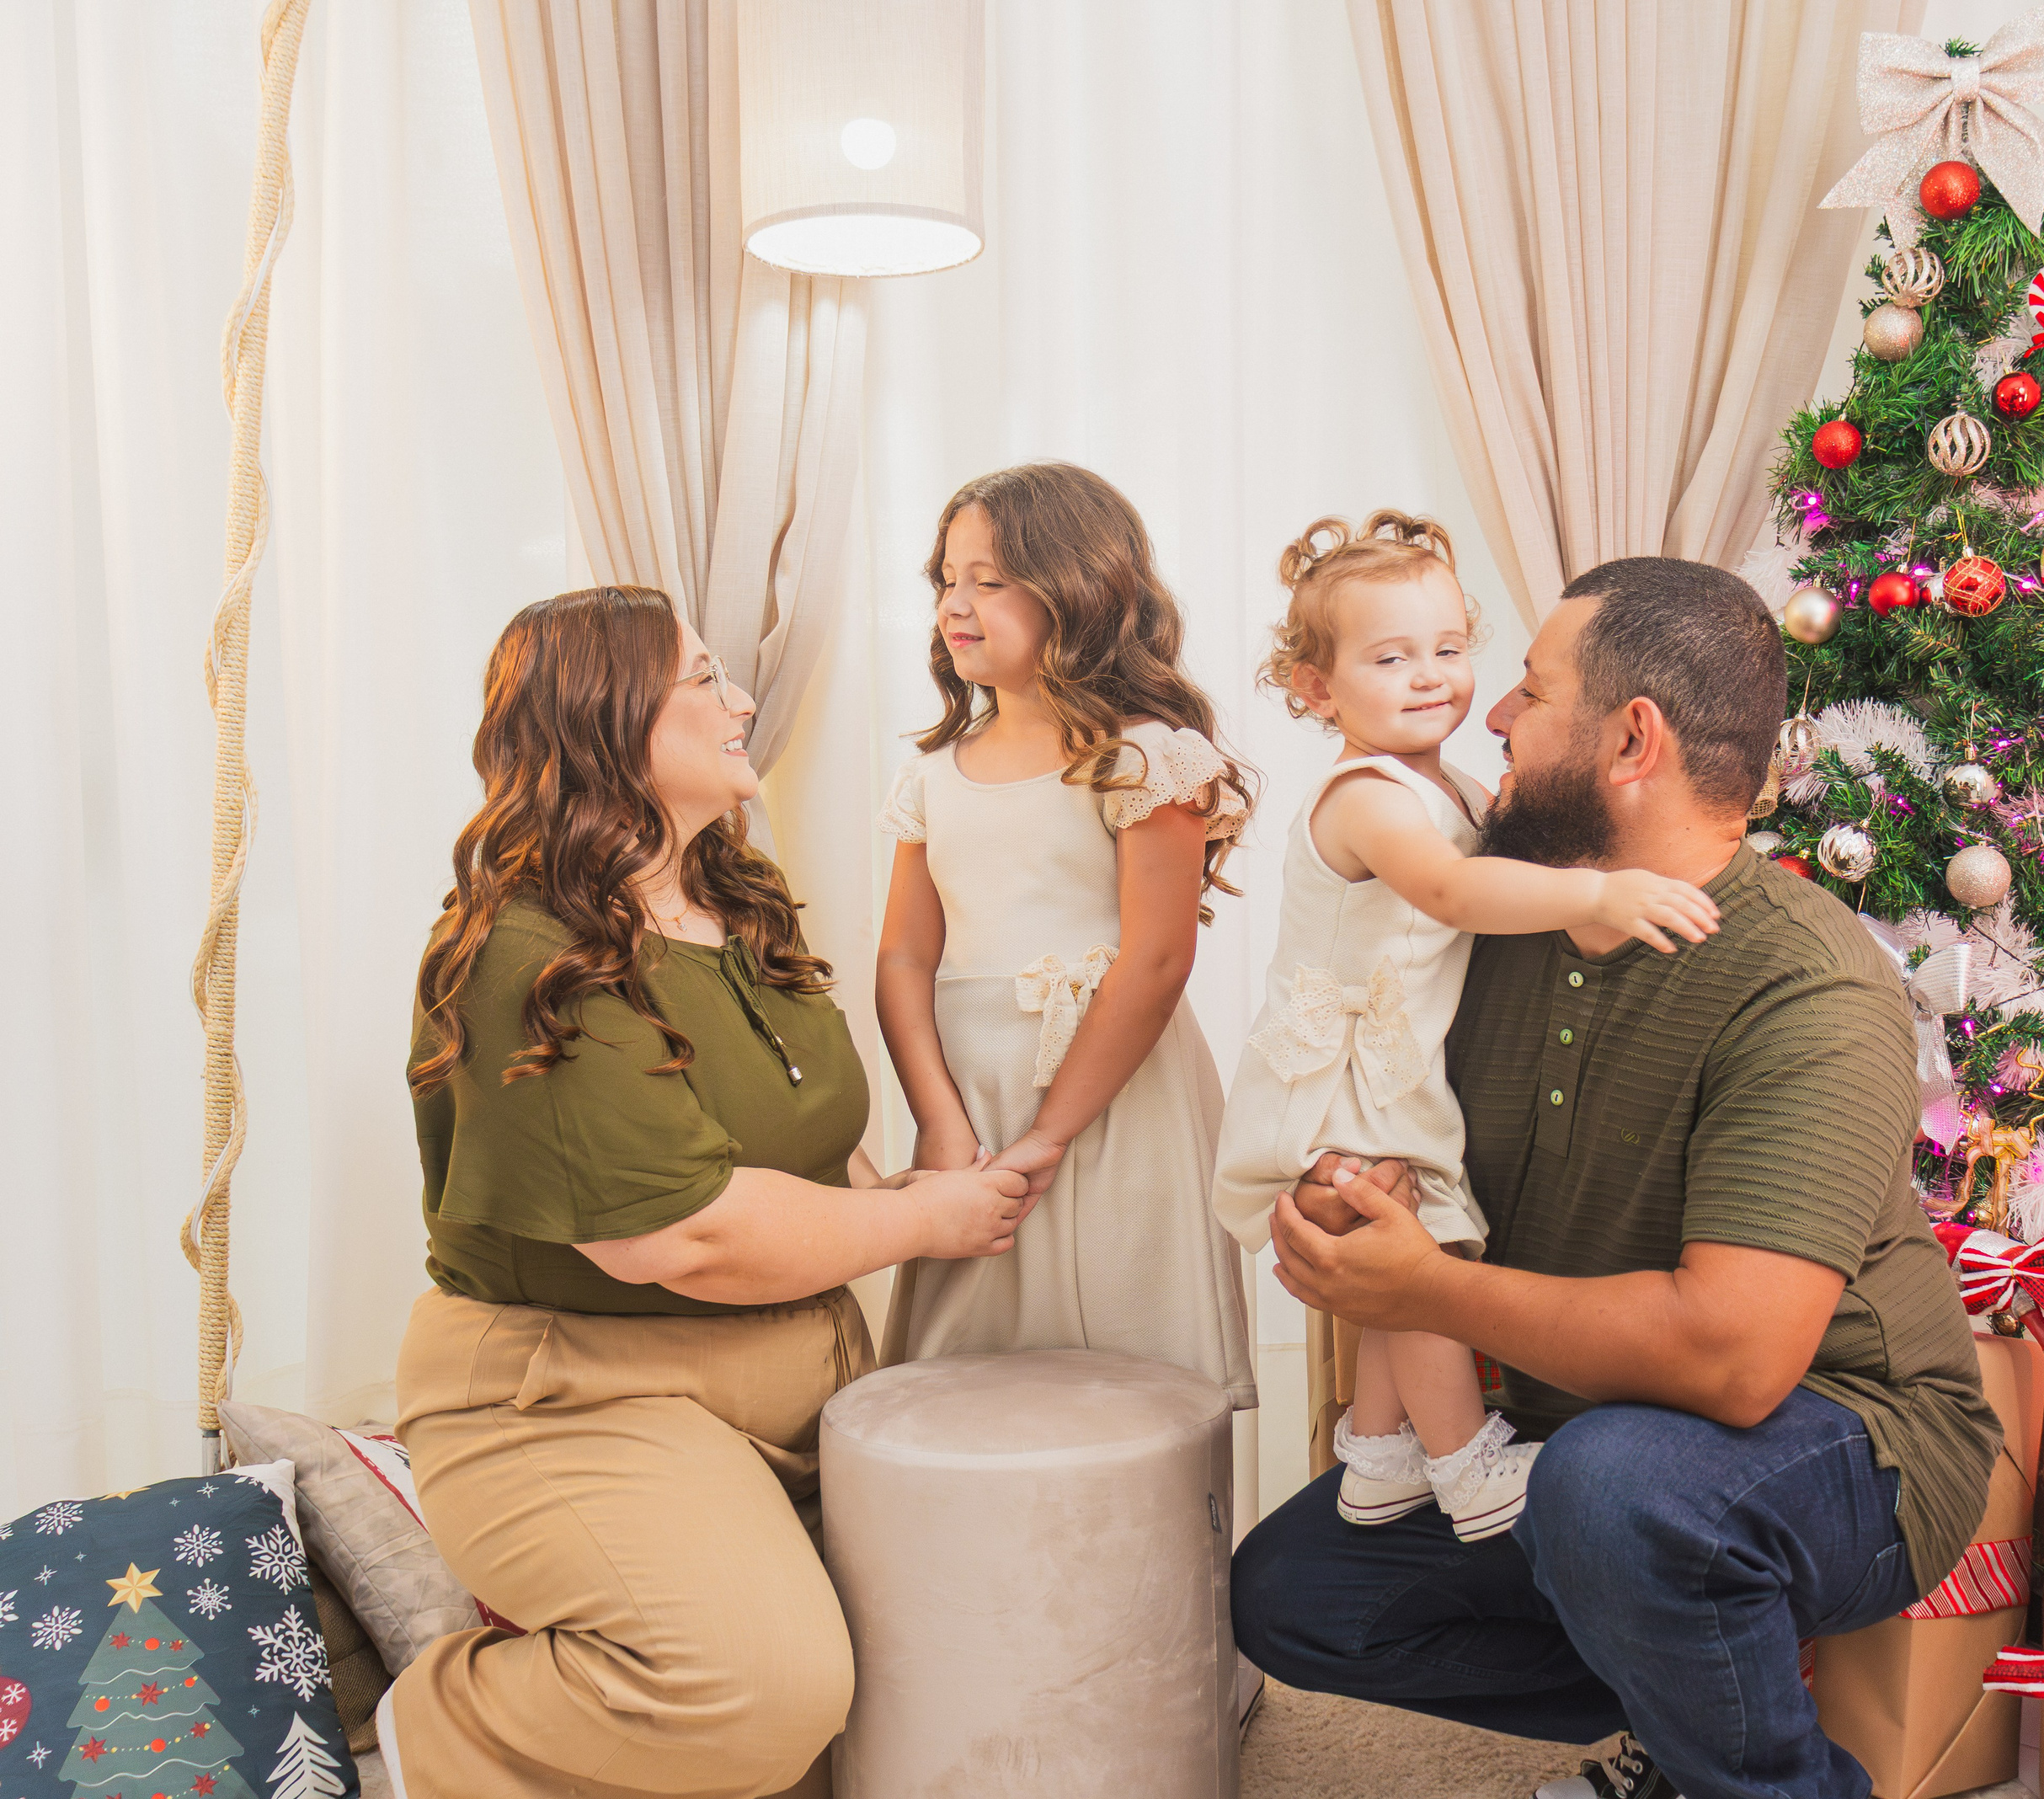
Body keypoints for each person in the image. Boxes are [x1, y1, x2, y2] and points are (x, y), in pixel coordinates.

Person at [1231, 558, 2000, 1799]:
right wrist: (1348, 1204)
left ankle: (1763, 1780)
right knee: (1302, 1594)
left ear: (1630, 739)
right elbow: (1398, 1127)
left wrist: (1419, 1290)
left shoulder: (1807, 985)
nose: (1489, 715)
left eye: (1530, 693)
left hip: (1849, 1440)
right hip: (1583, 1429)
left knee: (1621, 1490)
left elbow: (1736, 1362)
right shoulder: (1501, 925)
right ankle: (1692, 1697)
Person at [377, 586, 1032, 1799]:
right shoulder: (525, 952)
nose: (741, 703)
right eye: (705, 681)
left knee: (942, 1670)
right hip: (577, 1395)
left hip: (801, 1369)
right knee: (759, 1692)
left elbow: (801, 1147)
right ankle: (447, 1723)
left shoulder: (737, 901)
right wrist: (927, 1220)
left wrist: (917, 1179)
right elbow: (681, 1236)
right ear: (607, 719)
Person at [1214, 515, 1717, 1540]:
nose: (1430, 677)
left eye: (1449, 649)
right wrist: (1600, 894)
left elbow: (1497, 853)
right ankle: (1464, 1466)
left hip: (1393, 1064)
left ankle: (1378, 1454)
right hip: (1344, 1073)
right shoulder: (1364, 796)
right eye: (1389, 658)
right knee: (1425, 1257)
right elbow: (1450, 888)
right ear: (1317, 690)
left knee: (1402, 1252)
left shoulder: (1454, 786)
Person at [875, 462, 1256, 1407]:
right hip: (973, 1097)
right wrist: (939, 1119)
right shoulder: (933, 777)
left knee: (1130, 1363)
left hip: (1114, 1096)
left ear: (1078, 588)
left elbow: (1158, 959)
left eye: (990, 581)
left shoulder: (1143, 757)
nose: (956, 606)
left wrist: (1050, 1135)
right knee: (970, 1368)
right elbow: (903, 957)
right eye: (945, 579)